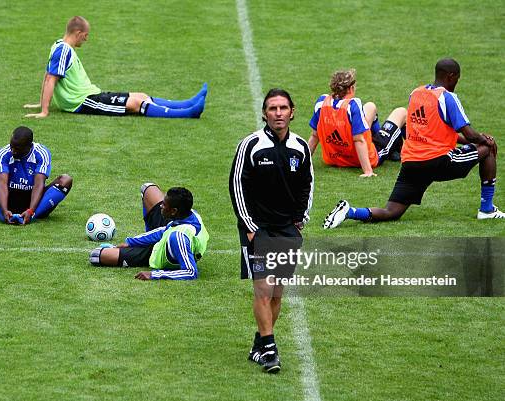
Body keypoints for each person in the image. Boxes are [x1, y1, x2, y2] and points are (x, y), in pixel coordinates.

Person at [323, 58, 503, 229]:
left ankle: (350, 211)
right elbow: (470, 135)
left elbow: (435, 131)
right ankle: (486, 209)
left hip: (411, 163)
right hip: (438, 161)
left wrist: (476, 138)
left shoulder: (416, 94)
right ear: (451, 76)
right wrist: (486, 139)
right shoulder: (447, 97)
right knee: (486, 150)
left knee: (391, 212)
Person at [229, 88, 314, 373]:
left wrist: (301, 218)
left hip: (287, 229)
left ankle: (259, 343)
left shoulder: (301, 147)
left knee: (277, 292)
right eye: (272, 108)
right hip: (259, 229)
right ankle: (269, 349)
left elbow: (307, 184)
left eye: (283, 108)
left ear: (292, 112)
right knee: (264, 290)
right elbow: (236, 186)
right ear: (264, 113)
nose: (278, 113)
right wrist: (250, 227)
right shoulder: (251, 145)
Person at [24, 16, 206, 119]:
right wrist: (44, 111)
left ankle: (187, 104)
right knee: (135, 104)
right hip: (83, 101)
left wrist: (41, 103)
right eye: (85, 36)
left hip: (91, 94)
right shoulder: (63, 50)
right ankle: (188, 113)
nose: (86, 39)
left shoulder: (58, 46)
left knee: (141, 95)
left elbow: (48, 75)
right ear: (78, 33)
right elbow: (50, 78)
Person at [89, 184, 209, 280]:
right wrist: (131, 242)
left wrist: (154, 275)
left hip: (154, 252)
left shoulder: (179, 237)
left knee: (96, 256)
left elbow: (191, 272)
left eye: (164, 204)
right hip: (166, 239)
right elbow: (164, 230)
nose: (161, 205)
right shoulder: (191, 214)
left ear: (173, 211)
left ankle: (139, 252)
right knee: (148, 189)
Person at [308, 69, 406, 177]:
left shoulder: (322, 102)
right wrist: (368, 171)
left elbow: (314, 135)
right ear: (351, 88)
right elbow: (358, 140)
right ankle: (394, 151)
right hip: (360, 158)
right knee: (401, 112)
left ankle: (379, 140)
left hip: (333, 158)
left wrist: (304, 161)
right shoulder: (353, 104)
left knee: (370, 107)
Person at [0, 126, 72, 224]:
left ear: (29, 146)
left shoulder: (41, 153)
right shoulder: (4, 153)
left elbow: (38, 185)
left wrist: (31, 210)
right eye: (11, 146)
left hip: (35, 199)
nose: (13, 151)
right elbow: (2, 184)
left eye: (17, 149)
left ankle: (32, 215)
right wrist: (4, 209)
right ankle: (3, 215)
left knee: (66, 180)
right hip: (10, 198)